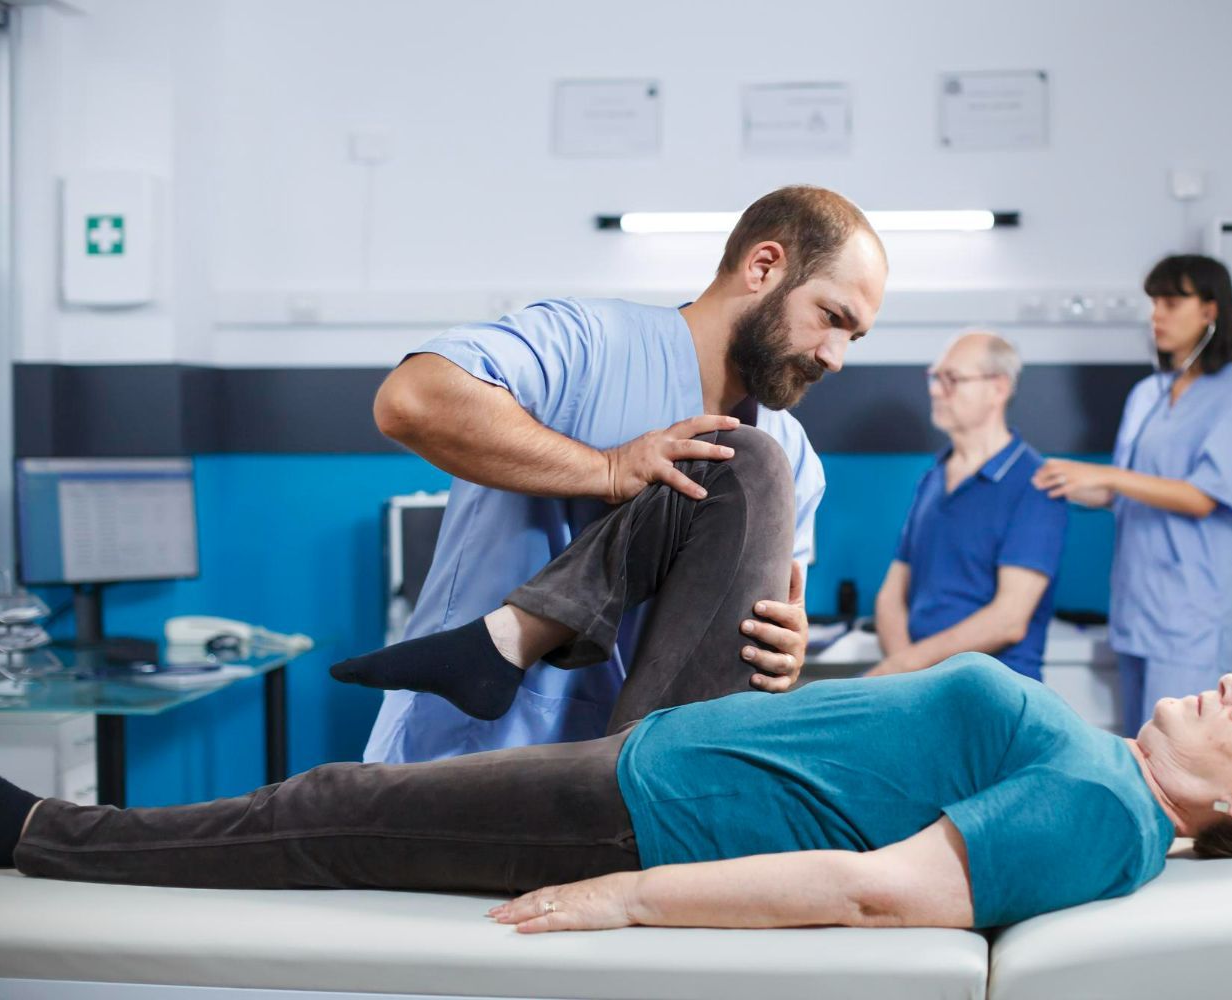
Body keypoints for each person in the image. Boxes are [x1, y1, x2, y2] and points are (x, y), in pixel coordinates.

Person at [3, 427, 1232, 934]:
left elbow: (876, 889)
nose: (1230, 691)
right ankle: (506, 644)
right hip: (703, 738)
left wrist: (634, 899)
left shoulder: (1106, 816)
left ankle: (47, 838)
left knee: (337, 801)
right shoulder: (1111, 777)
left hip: (650, 805)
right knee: (747, 465)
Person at [362, 185, 888, 762]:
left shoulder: (792, 461)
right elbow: (409, 401)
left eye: (853, 338)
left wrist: (784, 650)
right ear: (763, 266)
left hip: (621, 781)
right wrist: (606, 469)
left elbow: (779, 613)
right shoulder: (587, 343)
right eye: (831, 318)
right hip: (463, 750)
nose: (835, 357)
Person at [1031, 255, 1232, 736]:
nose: (1156, 314)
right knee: (1138, 748)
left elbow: (1203, 497)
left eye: (1172, 302)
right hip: (1136, 606)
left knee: (1182, 752)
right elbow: (1128, 493)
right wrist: (1071, 487)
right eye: (1154, 302)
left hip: (1190, 613)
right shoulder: (1147, 394)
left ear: (1209, 310)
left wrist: (1110, 477)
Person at [870, 332, 1066, 680]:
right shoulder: (933, 478)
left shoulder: (1035, 483)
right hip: (923, 684)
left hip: (990, 692)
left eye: (952, 379)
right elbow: (891, 595)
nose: (935, 390)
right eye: (935, 377)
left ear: (998, 388)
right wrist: (904, 678)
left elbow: (1008, 620)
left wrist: (904, 667)